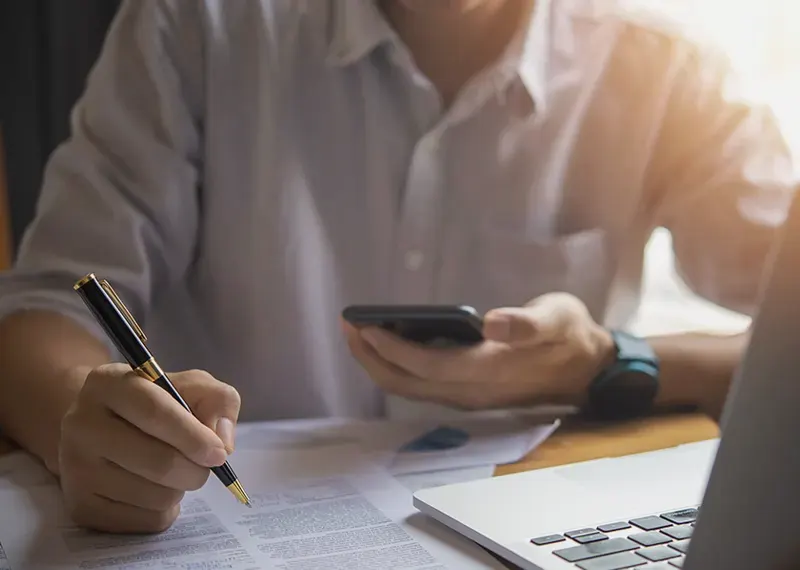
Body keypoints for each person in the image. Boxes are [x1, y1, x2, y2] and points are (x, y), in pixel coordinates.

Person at [0, 0, 794, 534]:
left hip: (521, 523)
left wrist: (609, 363)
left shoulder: (666, 67)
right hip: (217, 518)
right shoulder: (196, 25)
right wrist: (81, 416)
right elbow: (46, 307)